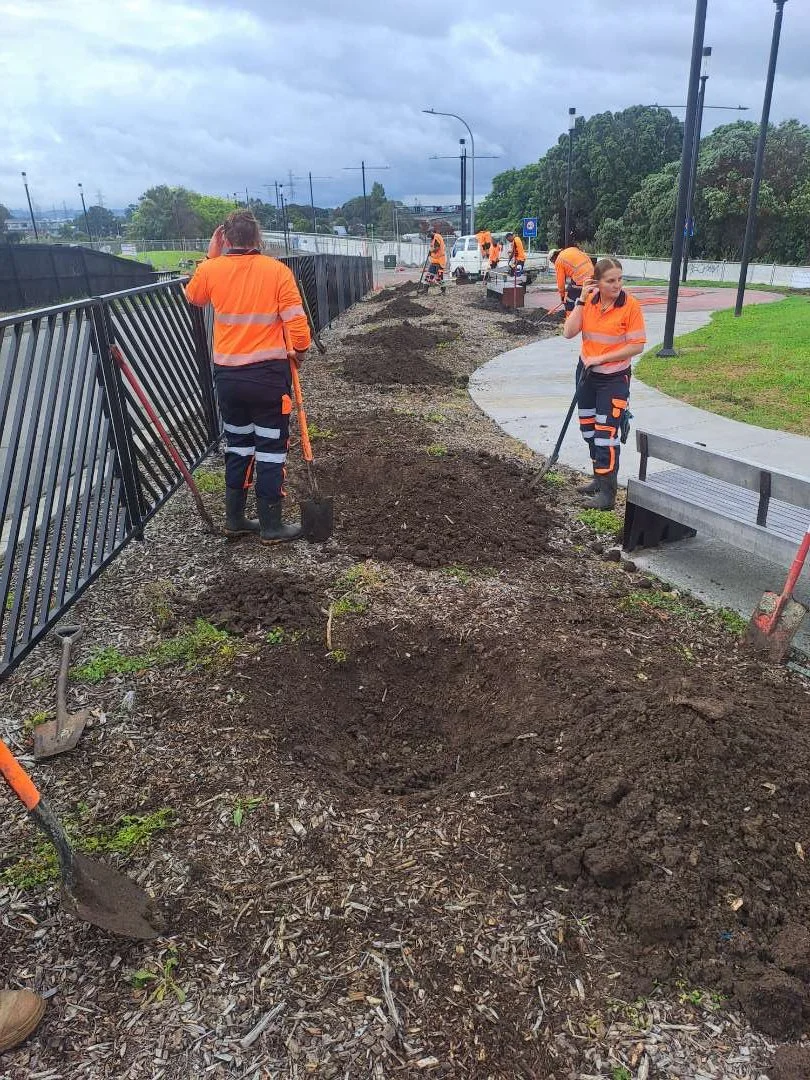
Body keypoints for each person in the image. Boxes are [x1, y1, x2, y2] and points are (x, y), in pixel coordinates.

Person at [185, 210, 311, 543]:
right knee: (270, 449)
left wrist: (211, 256)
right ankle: (271, 525)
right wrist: (299, 352)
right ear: (257, 238)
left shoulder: (210, 271)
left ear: (225, 238)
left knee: (239, 445)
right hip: (268, 377)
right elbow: (297, 327)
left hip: (228, 378)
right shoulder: (277, 272)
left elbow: (193, 297)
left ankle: (235, 518)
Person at [562, 257, 646, 510]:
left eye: (619, 279)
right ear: (596, 283)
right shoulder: (588, 302)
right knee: (588, 429)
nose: (617, 285)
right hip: (587, 374)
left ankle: (608, 494)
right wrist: (580, 300)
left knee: (606, 434)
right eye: (610, 281)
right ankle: (599, 478)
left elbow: (637, 346)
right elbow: (568, 332)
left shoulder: (630, 306)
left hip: (613, 378)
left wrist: (602, 358)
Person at [549, 244, 595, 315]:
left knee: (569, 300)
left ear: (553, 258)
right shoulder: (571, 250)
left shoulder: (558, 261)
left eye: (553, 262)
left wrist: (562, 297)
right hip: (592, 276)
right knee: (574, 291)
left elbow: (560, 282)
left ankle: (570, 318)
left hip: (581, 279)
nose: (554, 264)